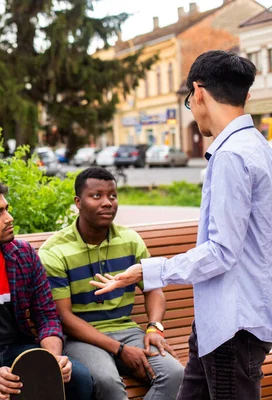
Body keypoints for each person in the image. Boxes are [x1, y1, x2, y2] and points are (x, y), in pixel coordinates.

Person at [91, 50, 272, 400]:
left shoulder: (232, 154)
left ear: (198, 92)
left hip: (232, 326)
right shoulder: (259, 147)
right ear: (246, 95)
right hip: (221, 321)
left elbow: (221, 252)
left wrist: (146, 271)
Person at [39, 167, 184, 400]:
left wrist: (154, 326)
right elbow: (63, 317)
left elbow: (154, 289)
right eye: (96, 196)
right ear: (78, 202)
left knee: (176, 374)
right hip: (81, 337)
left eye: (112, 196)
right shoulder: (55, 251)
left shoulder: (130, 240)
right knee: (107, 383)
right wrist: (120, 350)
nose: (107, 203)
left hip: (127, 330)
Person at [0, 180, 94, 400]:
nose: (9, 218)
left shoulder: (22, 254)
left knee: (80, 379)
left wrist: (52, 359)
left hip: (17, 348)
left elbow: (46, 315)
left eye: (6, 209)